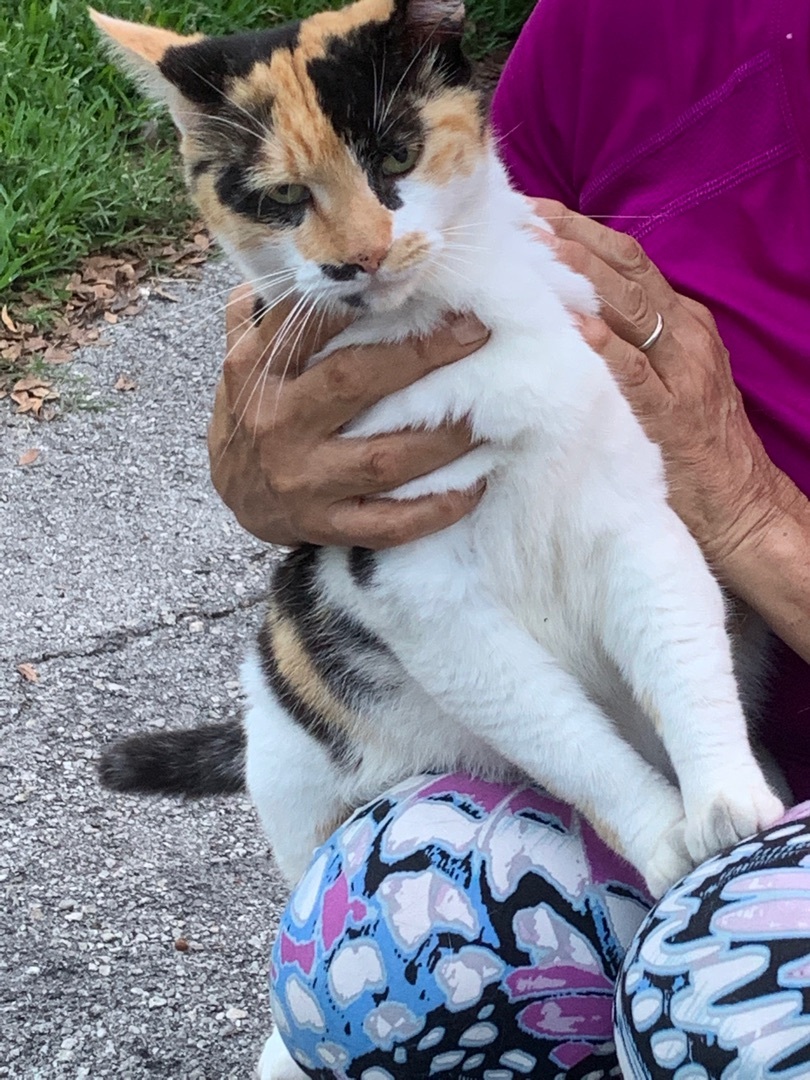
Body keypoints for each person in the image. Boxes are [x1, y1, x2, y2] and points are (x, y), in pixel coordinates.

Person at [208, 0, 810, 1075]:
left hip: (719, 742)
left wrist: (756, 518)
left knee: (722, 1021)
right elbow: (476, 213)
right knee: (383, 961)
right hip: (578, 712)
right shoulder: (627, 24)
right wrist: (269, 462)